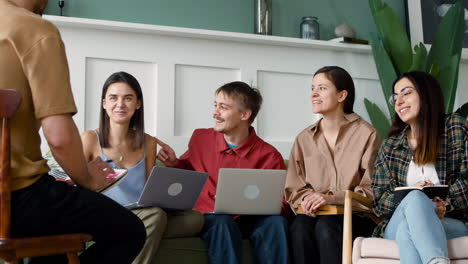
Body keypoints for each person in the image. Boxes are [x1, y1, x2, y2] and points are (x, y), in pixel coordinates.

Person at [0, 0, 146, 263]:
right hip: (13, 199)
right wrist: (87, 181)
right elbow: (59, 139)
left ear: (137, 104)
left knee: (53, 238)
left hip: (23, 201)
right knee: (130, 231)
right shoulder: (35, 29)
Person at [157, 81, 290, 264]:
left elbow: (280, 203)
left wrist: (250, 204)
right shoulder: (200, 139)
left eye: (223, 107)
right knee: (222, 222)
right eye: (215, 105)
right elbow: (188, 173)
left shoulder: (269, 155)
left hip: (248, 220)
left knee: (276, 224)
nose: (215, 113)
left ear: (244, 114)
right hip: (211, 218)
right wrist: (174, 163)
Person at [81, 71, 204, 264]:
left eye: (128, 98)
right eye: (113, 98)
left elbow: (149, 189)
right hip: (104, 215)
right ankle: (137, 231)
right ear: (104, 103)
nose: (120, 104)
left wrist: (171, 170)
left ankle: (130, 234)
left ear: (138, 104)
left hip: (139, 213)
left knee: (194, 219)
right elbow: (76, 185)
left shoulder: (148, 142)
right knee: (155, 216)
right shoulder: (89, 139)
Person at [284, 66, 381, 264]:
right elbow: (294, 188)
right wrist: (308, 201)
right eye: (312, 88)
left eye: (322, 88)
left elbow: (372, 190)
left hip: (357, 217)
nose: (314, 94)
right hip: (315, 216)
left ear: (341, 95)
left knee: (326, 227)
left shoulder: (367, 134)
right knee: (299, 227)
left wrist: (330, 198)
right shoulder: (304, 138)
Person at [372, 71, 468, 264]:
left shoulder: (455, 128)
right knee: (415, 197)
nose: (398, 101)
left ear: (425, 94)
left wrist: (443, 204)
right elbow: (379, 199)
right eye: (395, 97)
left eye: (406, 93)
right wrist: (416, 201)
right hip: (396, 220)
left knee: (407, 229)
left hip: (451, 221)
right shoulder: (391, 145)